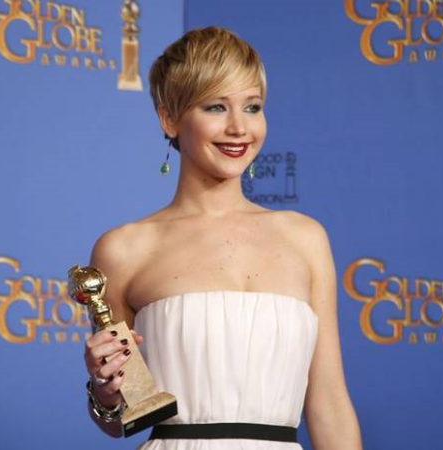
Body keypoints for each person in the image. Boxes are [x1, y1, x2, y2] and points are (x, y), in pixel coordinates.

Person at [82, 26, 363, 450]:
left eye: (252, 107)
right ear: (169, 118)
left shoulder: (305, 238)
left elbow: (329, 402)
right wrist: (104, 390)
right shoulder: (124, 249)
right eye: (216, 106)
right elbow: (127, 411)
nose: (238, 127)